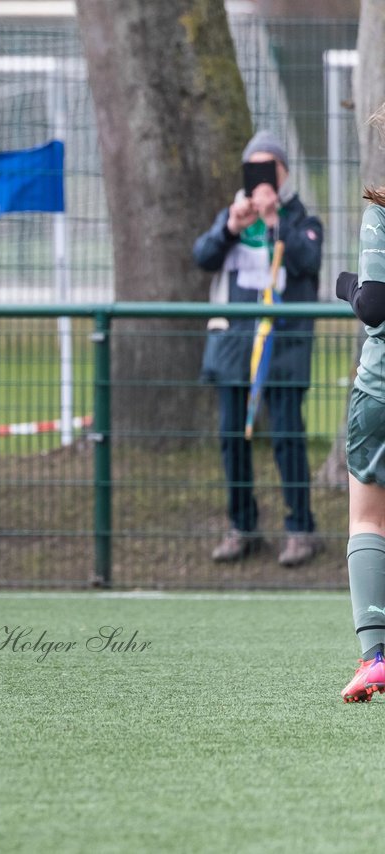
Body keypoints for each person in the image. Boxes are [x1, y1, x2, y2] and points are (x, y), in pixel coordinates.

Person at [192, 130, 323, 567]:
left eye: (272, 167)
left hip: (284, 344)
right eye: (256, 167)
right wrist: (232, 226)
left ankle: (300, 530)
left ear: (284, 172)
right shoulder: (231, 216)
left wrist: (274, 222)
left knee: (287, 436)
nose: (265, 177)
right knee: (232, 436)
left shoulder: (302, 219)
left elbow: (308, 260)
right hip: (233, 343)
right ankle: (242, 527)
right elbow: (203, 256)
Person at [336, 104, 385, 701]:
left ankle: (377, 655)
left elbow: (374, 304)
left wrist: (344, 284)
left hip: (379, 390)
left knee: (368, 519)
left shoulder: (381, 209)